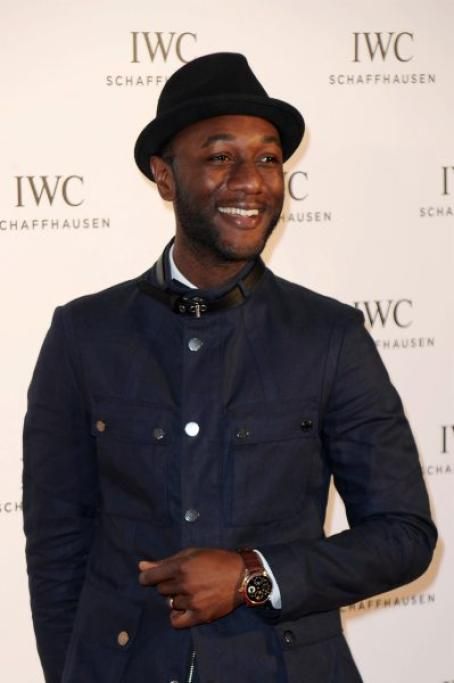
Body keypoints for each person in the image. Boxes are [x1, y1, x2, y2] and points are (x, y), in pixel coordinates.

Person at [23, 52, 437, 683]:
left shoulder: (330, 336)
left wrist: (253, 575)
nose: (252, 182)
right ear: (165, 177)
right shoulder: (84, 335)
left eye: (268, 159)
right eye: (221, 157)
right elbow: (57, 548)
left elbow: (403, 535)